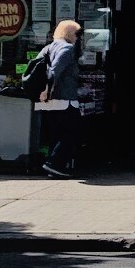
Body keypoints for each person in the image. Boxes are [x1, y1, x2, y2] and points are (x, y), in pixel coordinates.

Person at [34, 19, 83, 179]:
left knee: (55, 133)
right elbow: (55, 70)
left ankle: (54, 165)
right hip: (64, 98)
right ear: (69, 33)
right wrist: (48, 90)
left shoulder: (48, 47)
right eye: (76, 34)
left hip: (49, 102)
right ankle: (54, 163)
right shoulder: (67, 48)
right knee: (71, 132)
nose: (77, 38)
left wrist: (43, 92)